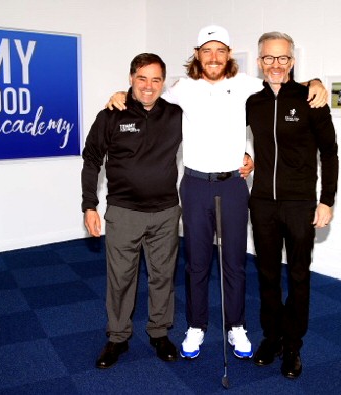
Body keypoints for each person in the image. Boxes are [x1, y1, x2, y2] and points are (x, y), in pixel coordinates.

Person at [107, 25, 328, 361]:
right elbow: (146, 98)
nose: (213, 57)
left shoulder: (247, 87)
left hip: (233, 185)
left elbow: (282, 82)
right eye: (207, 50)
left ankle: (236, 325)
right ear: (197, 55)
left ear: (229, 55)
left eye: (220, 50)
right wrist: (121, 93)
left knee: (235, 262)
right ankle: (196, 326)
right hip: (195, 185)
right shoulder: (182, 88)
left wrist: (315, 82)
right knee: (196, 263)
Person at [246, 32, 339, 379]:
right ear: (259, 62)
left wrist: (327, 200)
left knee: (298, 276)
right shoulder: (251, 101)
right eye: (268, 58)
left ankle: (293, 344)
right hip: (263, 204)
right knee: (267, 276)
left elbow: (329, 152)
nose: (275, 65)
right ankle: (272, 337)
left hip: (300, 203)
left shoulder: (310, 98)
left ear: (292, 61)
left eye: (282, 58)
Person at [81, 53, 183, 369]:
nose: (149, 86)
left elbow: (214, 132)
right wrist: (89, 205)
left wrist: (244, 155)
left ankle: (159, 332)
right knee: (121, 279)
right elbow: (92, 160)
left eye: (155, 79)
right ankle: (117, 338)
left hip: (166, 212)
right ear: (130, 78)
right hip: (124, 212)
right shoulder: (111, 114)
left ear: (163, 82)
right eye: (142, 78)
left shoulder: (178, 113)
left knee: (163, 276)